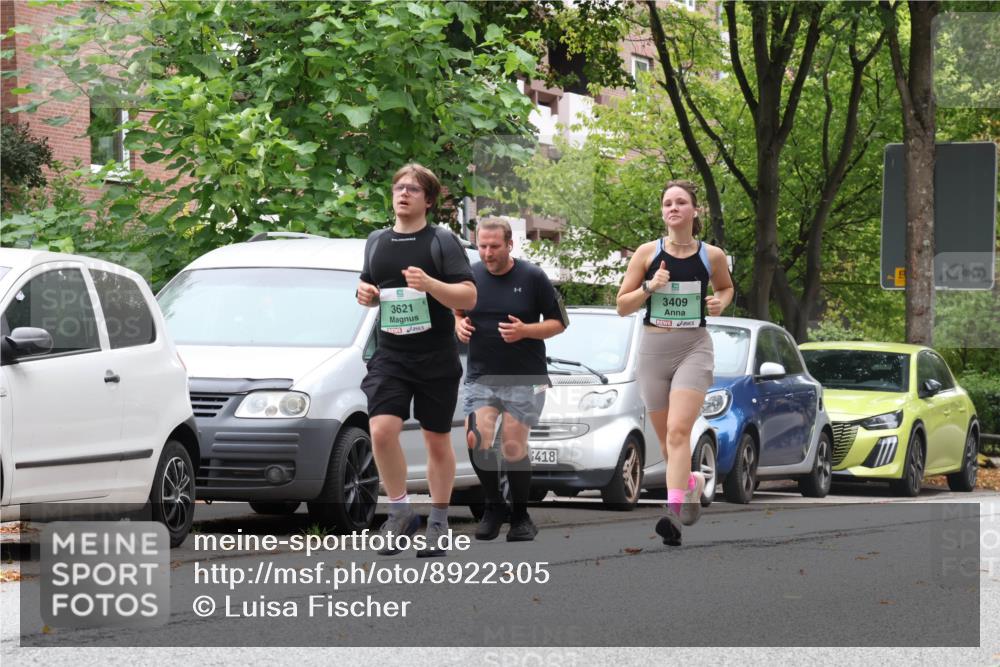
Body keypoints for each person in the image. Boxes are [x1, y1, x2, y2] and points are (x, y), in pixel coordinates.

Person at [356, 163, 477, 558]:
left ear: (428, 199)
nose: (403, 194)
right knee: (381, 431)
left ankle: (439, 520)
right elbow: (369, 285)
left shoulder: (441, 241)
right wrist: (367, 294)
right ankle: (401, 512)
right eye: (398, 188)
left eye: (412, 189)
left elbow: (468, 297)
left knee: (436, 439)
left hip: (435, 355)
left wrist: (431, 285)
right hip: (390, 352)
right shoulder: (376, 241)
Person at [616, 179, 734, 546]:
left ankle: (673, 514)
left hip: (693, 349)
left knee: (679, 432)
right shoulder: (647, 254)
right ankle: (693, 483)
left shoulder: (710, 255)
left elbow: (726, 288)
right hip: (653, 350)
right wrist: (650, 287)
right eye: (667, 203)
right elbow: (622, 305)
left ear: (694, 211)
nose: (673, 208)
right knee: (669, 443)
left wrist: (721, 302)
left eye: (681, 202)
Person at [455, 218, 567, 542]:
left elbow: (560, 322)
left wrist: (526, 331)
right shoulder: (471, 276)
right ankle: (494, 506)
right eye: (482, 246)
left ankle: (521, 516)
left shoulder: (532, 277)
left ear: (510, 245)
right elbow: (457, 309)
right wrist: (458, 325)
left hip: (526, 376)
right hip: (481, 375)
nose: (487, 253)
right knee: (477, 439)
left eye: (494, 246)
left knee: (513, 446)